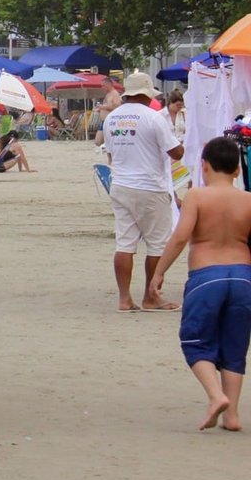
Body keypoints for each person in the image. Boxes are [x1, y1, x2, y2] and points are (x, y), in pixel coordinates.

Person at [148, 136, 251, 431]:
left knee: (195, 340)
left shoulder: (197, 196)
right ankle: (232, 417)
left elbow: (181, 236)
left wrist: (159, 271)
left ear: (203, 166)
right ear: (236, 171)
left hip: (207, 276)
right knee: (235, 346)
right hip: (243, 276)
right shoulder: (248, 200)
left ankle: (216, 396)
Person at [97, 71, 185, 313]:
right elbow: (176, 153)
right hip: (149, 186)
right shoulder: (154, 118)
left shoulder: (112, 119)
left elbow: (111, 154)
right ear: (147, 95)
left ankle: (124, 299)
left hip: (121, 184)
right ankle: (151, 296)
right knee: (157, 244)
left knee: (125, 244)